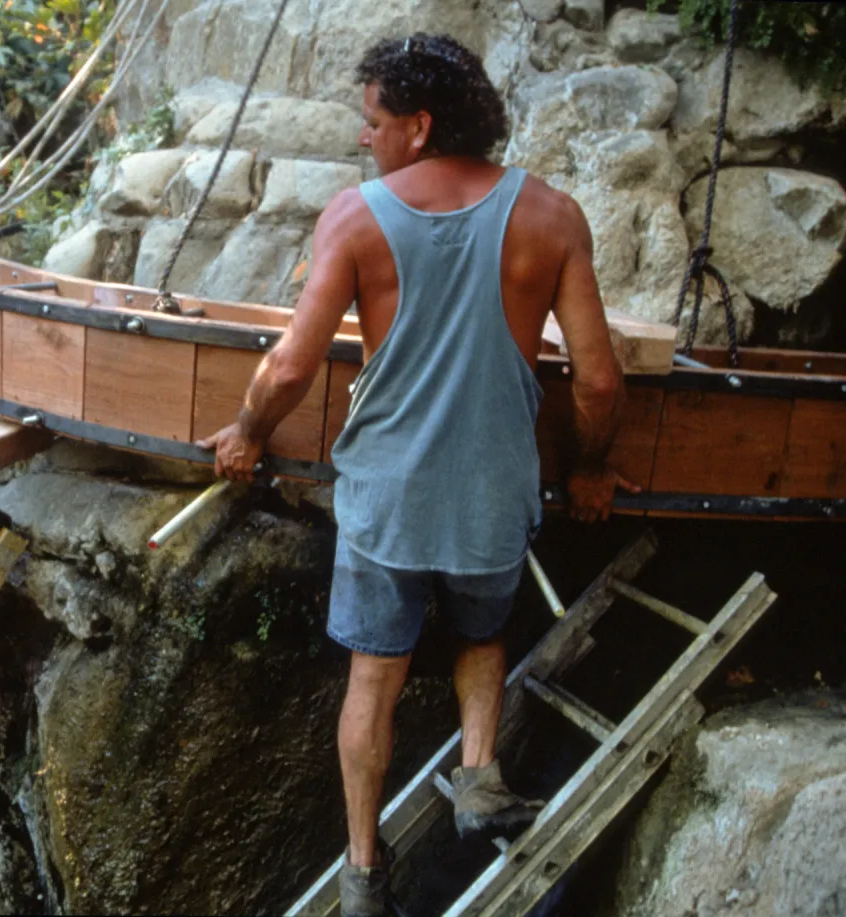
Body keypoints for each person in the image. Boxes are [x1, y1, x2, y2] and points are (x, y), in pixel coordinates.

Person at [199, 33, 636, 917]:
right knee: (481, 633)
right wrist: (592, 469)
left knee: (374, 675)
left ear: (420, 125)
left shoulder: (356, 218)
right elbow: (597, 378)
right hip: (492, 494)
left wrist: (247, 430)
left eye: (374, 121)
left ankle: (364, 873)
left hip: (388, 499)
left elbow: (289, 369)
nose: (366, 139)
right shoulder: (552, 216)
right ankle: (479, 774)